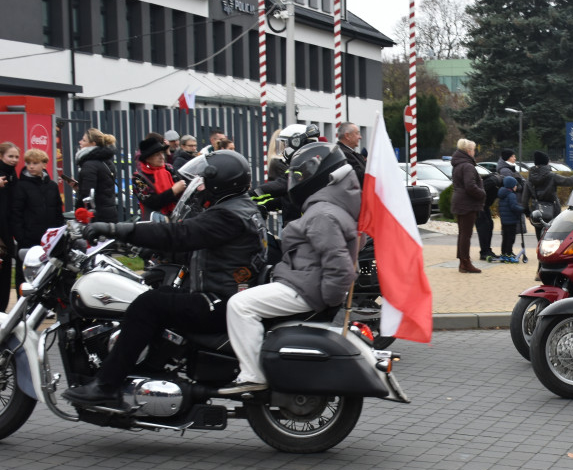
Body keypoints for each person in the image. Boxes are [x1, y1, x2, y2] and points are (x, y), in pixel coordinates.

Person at [63, 150, 268, 407]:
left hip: (218, 302)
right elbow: (198, 242)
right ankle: (150, 369)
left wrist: (115, 230)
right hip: (223, 294)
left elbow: (180, 234)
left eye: (204, 181)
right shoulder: (239, 207)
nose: (200, 186)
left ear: (220, 182)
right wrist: (151, 247)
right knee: (157, 294)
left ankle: (106, 385)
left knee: (146, 304)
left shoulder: (227, 215)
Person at [220, 144, 359, 394]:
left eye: (302, 175)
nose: (298, 180)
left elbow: (339, 266)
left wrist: (327, 301)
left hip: (305, 289)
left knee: (240, 305)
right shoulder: (328, 206)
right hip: (303, 281)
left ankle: (252, 375)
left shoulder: (322, 213)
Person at [10, 148, 63, 252]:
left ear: (44, 165)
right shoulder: (21, 186)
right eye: (28, 163)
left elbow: (58, 211)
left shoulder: (52, 186)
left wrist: (58, 232)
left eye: (35, 163)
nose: (31, 166)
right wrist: (21, 237)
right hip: (28, 239)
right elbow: (16, 213)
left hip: (49, 238)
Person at [520, 151, 573, 241]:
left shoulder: (530, 177)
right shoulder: (551, 176)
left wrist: (527, 213)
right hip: (553, 210)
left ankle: (541, 254)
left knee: (540, 239)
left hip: (537, 211)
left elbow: (524, 199)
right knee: (553, 238)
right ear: (546, 162)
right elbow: (569, 181)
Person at [451, 138, 485, 273]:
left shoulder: (458, 164)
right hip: (467, 203)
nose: (475, 152)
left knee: (462, 234)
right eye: (474, 149)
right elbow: (470, 186)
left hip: (460, 201)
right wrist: (482, 193)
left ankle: (463, 261)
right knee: (466, 234)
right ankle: (465, 262)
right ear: (469, 151)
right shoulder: (468, 166)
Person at [132, 136, 187, 221]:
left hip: (177, 218)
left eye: (162, 153)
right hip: (155, 222)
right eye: (157, 155)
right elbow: (152, 203)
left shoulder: (169, 168)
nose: (162, 157)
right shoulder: (138, 178)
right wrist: (173, 191)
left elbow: (183, 191)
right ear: (147, 158)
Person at [75, 128, 119, 223]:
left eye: (84, 140)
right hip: (109, 212)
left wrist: (78, 209)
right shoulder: (107, 162)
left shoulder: (89, 164)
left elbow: (87, 193)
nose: (80, 142)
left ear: (93, 144)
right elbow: (103, 187)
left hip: (95, 216)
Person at [0, 142, 21, 308]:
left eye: (16, 157)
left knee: (6, 271)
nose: (14, 160)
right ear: (1, 156)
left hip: (7, 229)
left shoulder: (13, 175)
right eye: (10, 156)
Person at [497, 176, 525, 263]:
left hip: (504, 221)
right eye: (515, 185)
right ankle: (509, 255)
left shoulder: (502, 194)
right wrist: (521, 209)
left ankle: (503, 254)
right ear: (512, 186)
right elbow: (513, 207)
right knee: (510, 238)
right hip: (511, 220)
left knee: (505, 238)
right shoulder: (511, 195)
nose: (516, 187)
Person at [476, 169, 500, 263]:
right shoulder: (493, 182)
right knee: (484, 226)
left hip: (484, 205)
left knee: (489, 224)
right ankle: (484, 252)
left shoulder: (498, 183)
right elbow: (479, 191)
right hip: (479, 205)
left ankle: (487, 250)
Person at [337, 122, 366, 186]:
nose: (360, 137)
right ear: (347, 136)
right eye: (357, 133)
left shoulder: (348, 152)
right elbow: (360, 177)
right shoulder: (343, 154)